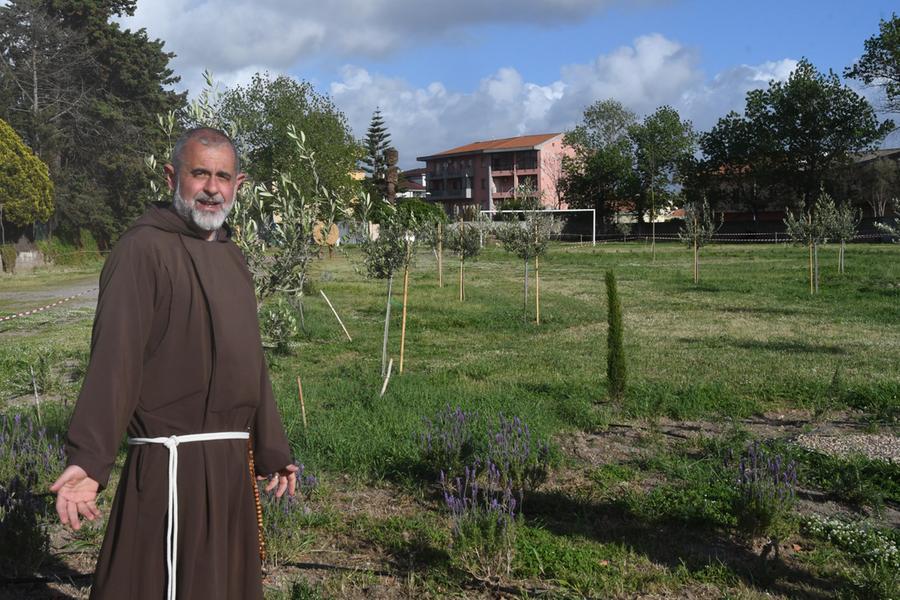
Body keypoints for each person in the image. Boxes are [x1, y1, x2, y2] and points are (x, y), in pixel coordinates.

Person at [50, 127, 297, 600]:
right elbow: (113, 360)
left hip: (229, 468)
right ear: (171, 176)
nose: (212, 188)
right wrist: (90, 458)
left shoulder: (234, 258)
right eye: (199, 173)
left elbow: (251, 362)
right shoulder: (141, 250)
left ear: (238, 184)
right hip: (171, 467)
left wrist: (272, 448)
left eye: (223, 176)